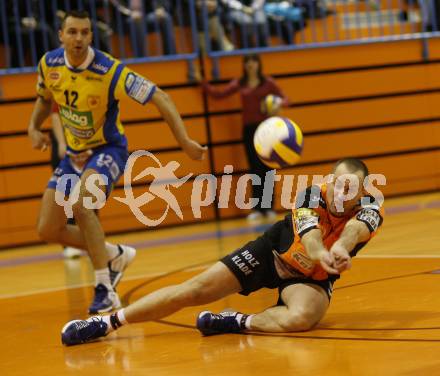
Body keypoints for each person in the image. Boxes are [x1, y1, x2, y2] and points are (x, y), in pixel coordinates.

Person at [61, 158, 384, 346]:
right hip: (271, 253)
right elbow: (311, 236)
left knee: (300, 319)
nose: (344, 191)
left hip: (309, 277)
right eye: (340, 184)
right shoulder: (313, 193)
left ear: (363, 190)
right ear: (330, 181)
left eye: (351, 187)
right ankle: (107, 323)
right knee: (194, 290)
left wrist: (340, 248)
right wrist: (322, 252)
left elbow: (356, 231)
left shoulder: (372, 207)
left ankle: (235, 322)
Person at [27, 10, 206, 314]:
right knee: (47, 229)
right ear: (61, 35)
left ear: (91, 36)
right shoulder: (49, 63)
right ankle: (114, 254)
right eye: (72, 32)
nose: (79, 38)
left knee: (83, 206)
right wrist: (34, 126)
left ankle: (104, 288)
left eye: (85, 32)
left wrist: (184, 141)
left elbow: (159, 96)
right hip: (74, 156)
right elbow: (46, 98)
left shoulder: (109, 70)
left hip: (108, 150)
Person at [203, 54, 288, 222]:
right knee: (254, 168)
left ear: (258, 64)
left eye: (253, 61)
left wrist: (276, 104)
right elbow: (219, 94)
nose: (250, 65)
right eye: (247, 62)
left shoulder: (267, 82)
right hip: (249, 130)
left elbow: (286, 99)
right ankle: (257, 207)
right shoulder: (240, 83)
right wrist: (203, 83)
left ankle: (269, 207)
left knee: (268, 167)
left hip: (267, 130)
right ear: (244, 65)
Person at [49, 103, 84, 259]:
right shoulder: (59, 82)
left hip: (85, 139)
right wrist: (62, 143)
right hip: (65, 140)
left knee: (89, 191)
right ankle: (69, 244)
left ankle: (90, 240)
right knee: (65, 193)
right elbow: (55, 113)